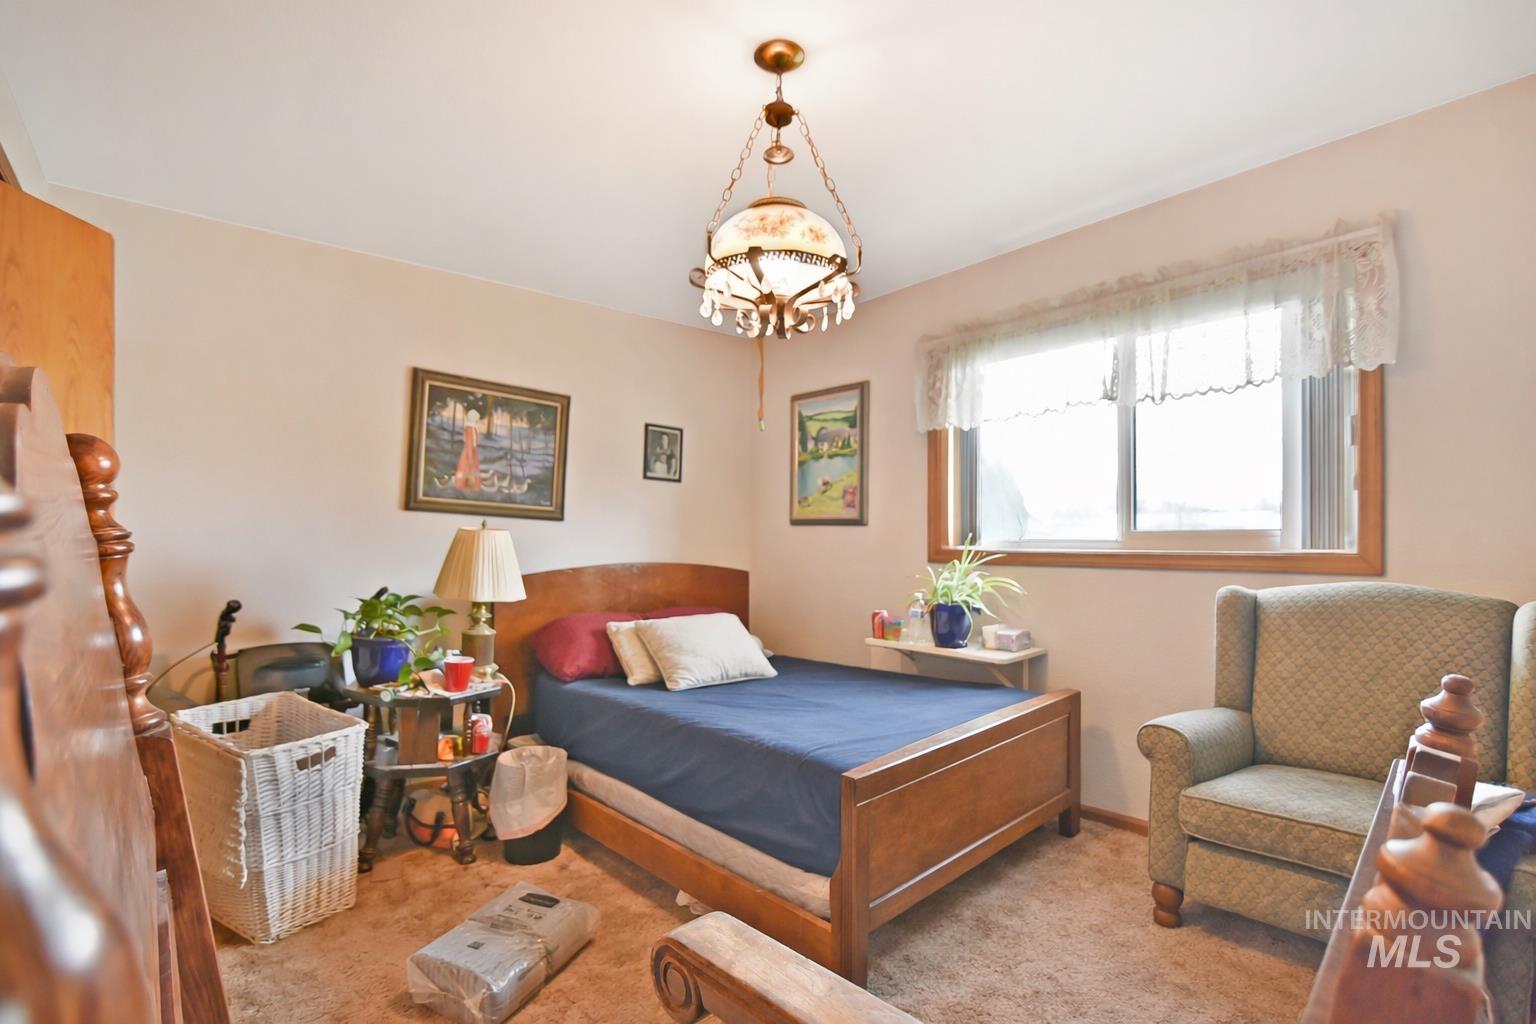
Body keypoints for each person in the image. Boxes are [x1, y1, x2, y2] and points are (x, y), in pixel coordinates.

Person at [454, 408, 482, 491]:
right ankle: (462, 485)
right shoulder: (469, 429)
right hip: (468, 451)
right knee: (467, 466)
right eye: (476, 419)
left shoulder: (473, 428)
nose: (477, 420)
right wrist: (470, 456)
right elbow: (469, 443)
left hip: (473, 450)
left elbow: (474, 442)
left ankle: (473, 485)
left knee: (473, 468)